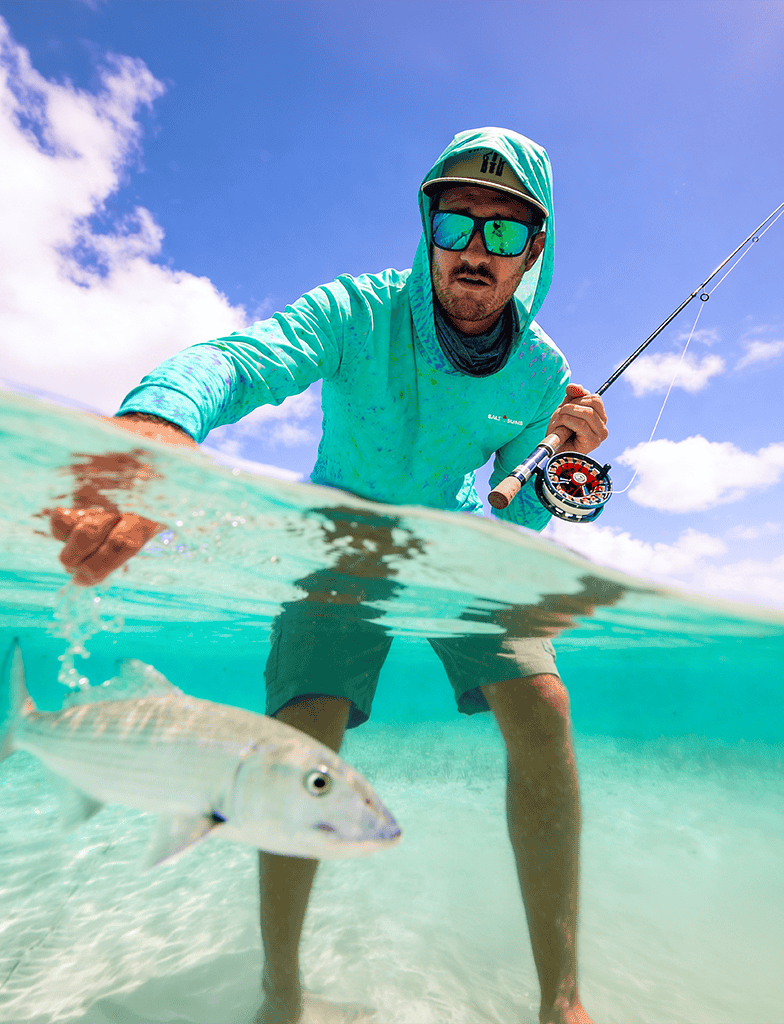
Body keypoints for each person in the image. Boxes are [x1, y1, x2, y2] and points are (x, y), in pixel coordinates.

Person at [46, 127, 606, 1024]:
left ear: (533, 250)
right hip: (337, 538)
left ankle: (563, 1001)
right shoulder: (356, 312)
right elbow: (240, 358)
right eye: (456, 222)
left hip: (453, 544)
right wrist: (159, 424)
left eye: (504, 233)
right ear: (426, 230)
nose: (475, 250)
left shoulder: (545, 371)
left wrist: (560, 467)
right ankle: (281, 990)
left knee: (544, 705)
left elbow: (518, 513)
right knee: (304, 728)